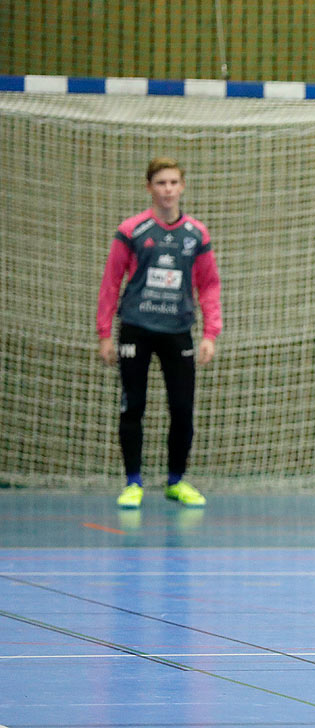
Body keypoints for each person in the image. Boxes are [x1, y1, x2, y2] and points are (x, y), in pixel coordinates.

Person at [97, 157, 222, 510]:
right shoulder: (132, 230)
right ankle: (133, 482)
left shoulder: (196, 234)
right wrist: (105, 332)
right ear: (149, 187)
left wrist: (211, 333)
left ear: (182, 187)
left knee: (182, 409)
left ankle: (176, 481)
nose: (167, 189)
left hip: (178, 329)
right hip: (136, 327)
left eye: (173, 183)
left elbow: (209, 284)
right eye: (160, 183)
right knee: (133, 405)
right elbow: (111, 282)